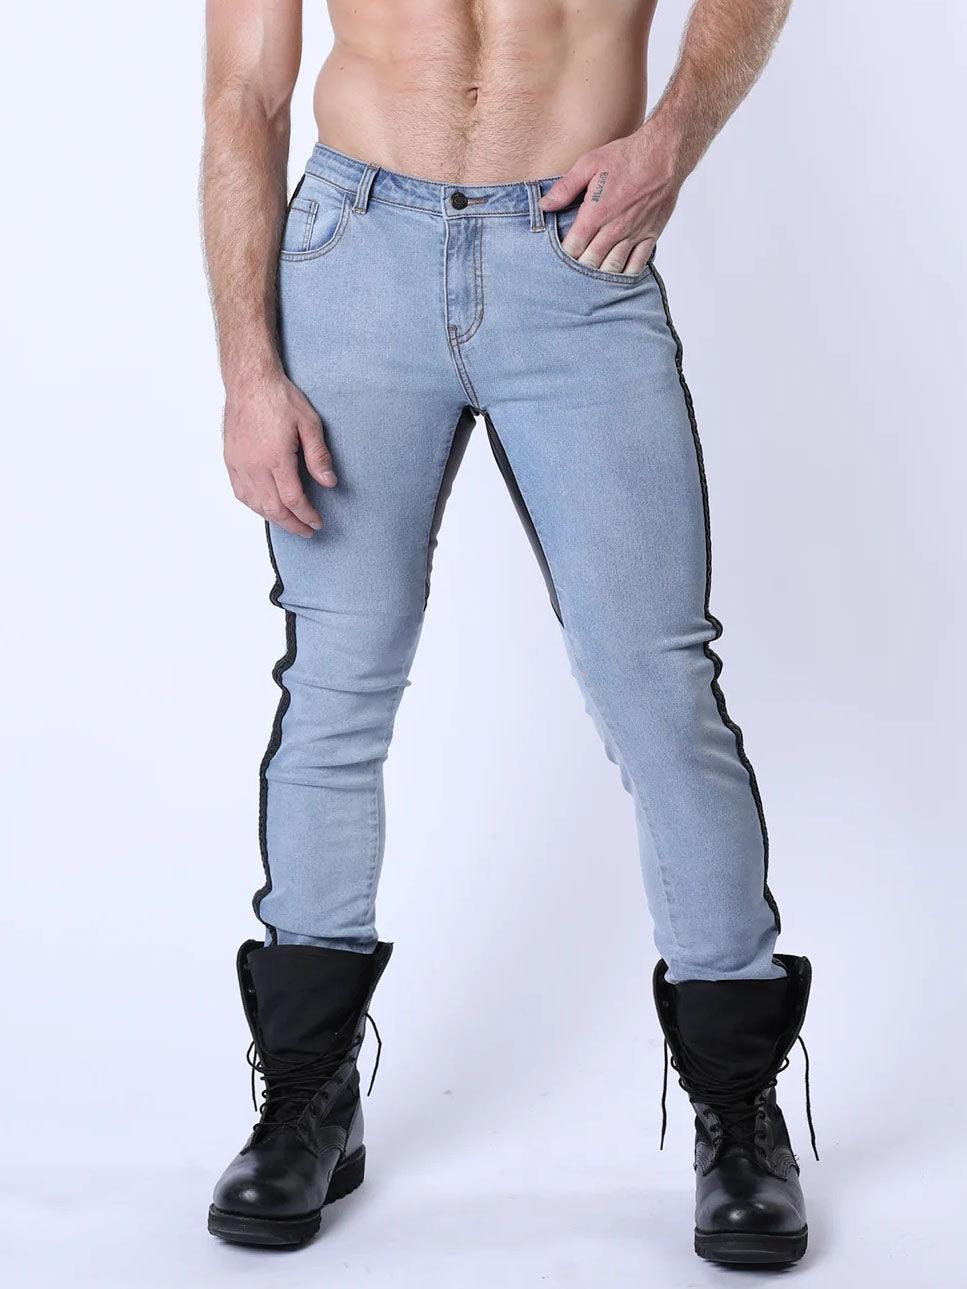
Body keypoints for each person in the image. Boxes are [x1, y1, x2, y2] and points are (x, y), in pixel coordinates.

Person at [202, 0, 814, 1264]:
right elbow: (243, 95)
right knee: (337, 682)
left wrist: (672, 140)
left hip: (576, 253)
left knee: (658, 690)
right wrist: (248, 373)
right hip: (354, 251)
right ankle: (306, 1092)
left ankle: (739, 1107)